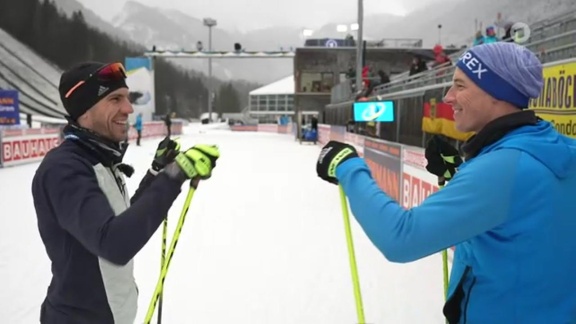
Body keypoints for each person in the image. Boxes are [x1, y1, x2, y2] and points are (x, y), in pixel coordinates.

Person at [315, 42, 576, 323]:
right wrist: (462, 176)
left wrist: (349, 167)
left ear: (497, 94)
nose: (448, 97)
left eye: (460, 86)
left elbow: (401, 238)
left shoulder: (502, 169)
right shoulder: (558, 149)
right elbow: (524, 215)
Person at [32, 61, 221, 324]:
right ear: (86, 109)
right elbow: (114, 243)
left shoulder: (99, 158)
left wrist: (157, 174)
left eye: (128, 98)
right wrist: (175, 175)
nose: (128, 108)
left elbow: (121, 221)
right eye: (115, 99)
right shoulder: (64, 169)